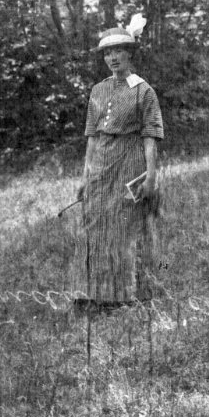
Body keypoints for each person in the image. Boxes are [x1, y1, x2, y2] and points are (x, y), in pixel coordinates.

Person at [73, 17, 164, 313]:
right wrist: (85, 176)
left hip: (130, 162)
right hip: (101, 164)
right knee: (96, 225)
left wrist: (150, 177)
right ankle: (95, 294)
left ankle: (127, 295)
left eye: (118, 51)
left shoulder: (143, 91)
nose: (113, 58)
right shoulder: (98, 90)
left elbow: (150, 137)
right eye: (107, 53)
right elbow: (91, 136)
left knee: (124, 226)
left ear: (130, 53)